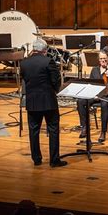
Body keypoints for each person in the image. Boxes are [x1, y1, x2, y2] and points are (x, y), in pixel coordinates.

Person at [20, 38, 67, 167]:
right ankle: (54, 160)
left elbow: (24, 78)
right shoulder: (48, 61)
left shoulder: (24, 63)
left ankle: (36, 159)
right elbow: (56, 80)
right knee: (53, 129)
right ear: (44, 50)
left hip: (32, 101)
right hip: (48, 101)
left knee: (33, 131)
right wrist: (54, 91)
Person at [77, 50, 108, 143]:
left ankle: (103, 132)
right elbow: (92, 84)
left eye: (104, 58)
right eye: (101, 58)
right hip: (96, 95)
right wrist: (94, 94)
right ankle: (84, 127)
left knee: (104, 104)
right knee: (80, 101)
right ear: (98, 60)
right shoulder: (95, 70)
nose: (103, 60)